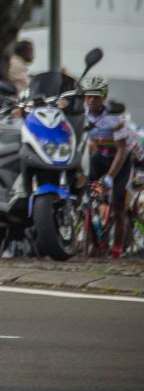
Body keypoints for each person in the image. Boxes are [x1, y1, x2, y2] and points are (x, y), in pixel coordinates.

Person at [83, 76, 132, 258]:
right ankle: (91, 238)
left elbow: (121, 150)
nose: (92, 100)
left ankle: (117, 248)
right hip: (100, 156)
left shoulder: (114, 117)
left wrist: (110, 177)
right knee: (85, 195)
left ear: (104, 97)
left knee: (118, 206)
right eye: (88, 96)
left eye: (96, 97)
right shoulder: (82, 112)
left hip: (119, 160)